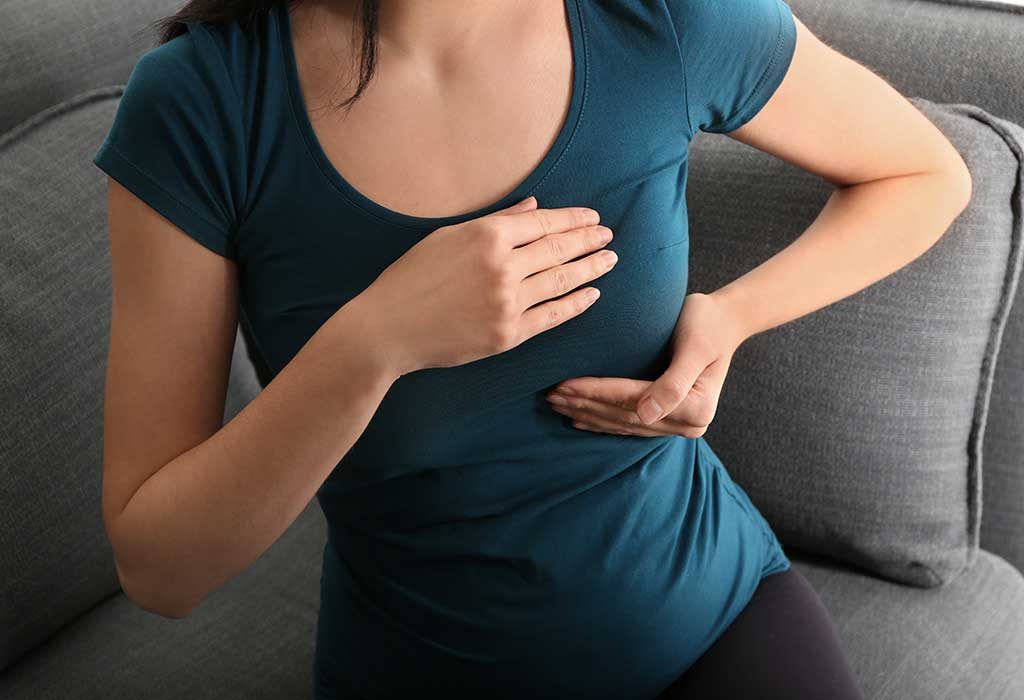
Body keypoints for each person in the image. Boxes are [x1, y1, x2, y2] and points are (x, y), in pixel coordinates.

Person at [93, 0, 971, 697]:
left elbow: (924, 174)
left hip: (713, 619)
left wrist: (732, 314)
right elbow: (159, 568)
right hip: (424, 668)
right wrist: (374, 340)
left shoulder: (664, 17)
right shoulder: (200, 104)